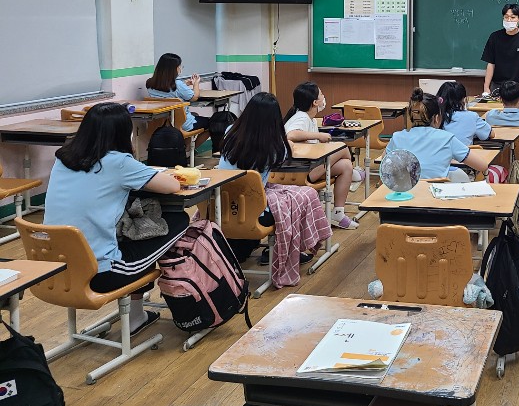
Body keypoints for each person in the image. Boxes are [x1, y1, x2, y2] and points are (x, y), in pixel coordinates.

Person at [43, 102, 187, 337]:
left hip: (54, 270)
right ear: (123, 132)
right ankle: (139, 315)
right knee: (176, 220)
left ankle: (136, 313)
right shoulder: (119, 162)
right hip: (99, 274)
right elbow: (171, 185)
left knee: (138, 230)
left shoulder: (63, 158)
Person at [218, 92, 336, 287]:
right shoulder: (275, 145)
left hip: (221, 208)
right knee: (299, 199)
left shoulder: (230, 132)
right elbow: (285, 154)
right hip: (254, 213)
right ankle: (294, 249)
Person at [283, 81, 365, 204]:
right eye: (321, 94)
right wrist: (319, 135)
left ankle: (338, 212)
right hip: (301, 172)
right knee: (341, 146)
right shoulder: (301, 117)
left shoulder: (310, 120)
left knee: (346, 165)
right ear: (315, 102)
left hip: (309, 168)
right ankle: (354, 174)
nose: (323, 96)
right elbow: (291, 135)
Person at [385, 88, 491, 183]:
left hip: (404, 196)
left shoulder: (396, 137)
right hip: (435, 198)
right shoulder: (447, 138)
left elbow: (386, 167)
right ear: (436, 118)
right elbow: (482, 166)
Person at [145, 52, 210, 148]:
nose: (181, 68)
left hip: (162, 124)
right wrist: (196, 83)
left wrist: (185, 85)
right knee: (213, 123)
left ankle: (183, 148)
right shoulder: (177, 84)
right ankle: (187, 149)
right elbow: (194, 97)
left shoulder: (150, 83)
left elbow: (168, 91)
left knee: (195, 115)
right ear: (175, 69)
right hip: (182, 125)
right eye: (180, 66)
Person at [481, 3, 519, 96]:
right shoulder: (494, 37)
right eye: (506, 17)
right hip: (498, 86)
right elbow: (491, 64)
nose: (509, 20)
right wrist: (486, 87)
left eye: (513, 17)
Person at [438, 80, 491, 147]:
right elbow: (490, 134)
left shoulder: (435, 117)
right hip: (464, 156)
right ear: (463, 99)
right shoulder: (471, 116)